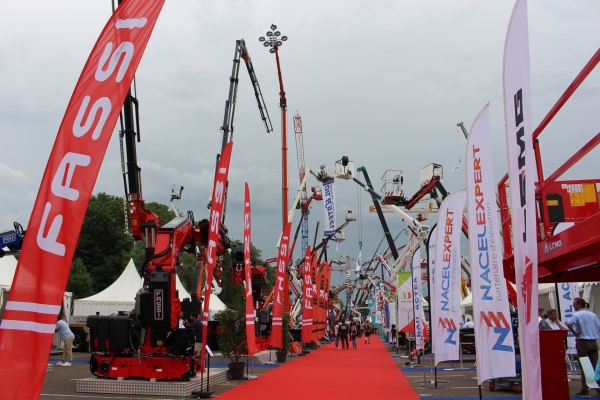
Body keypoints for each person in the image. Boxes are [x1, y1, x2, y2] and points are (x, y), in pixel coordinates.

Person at [567, 297, 600, 397]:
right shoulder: (593, 314)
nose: (573, 306)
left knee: (584, 366)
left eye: (575, 304)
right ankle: (598, 389)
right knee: (596, 366)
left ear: (580, 305)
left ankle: (585, 389)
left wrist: (574, 332)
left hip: (582, 341)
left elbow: (568, 323)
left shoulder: (576, 314)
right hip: (594, 341)